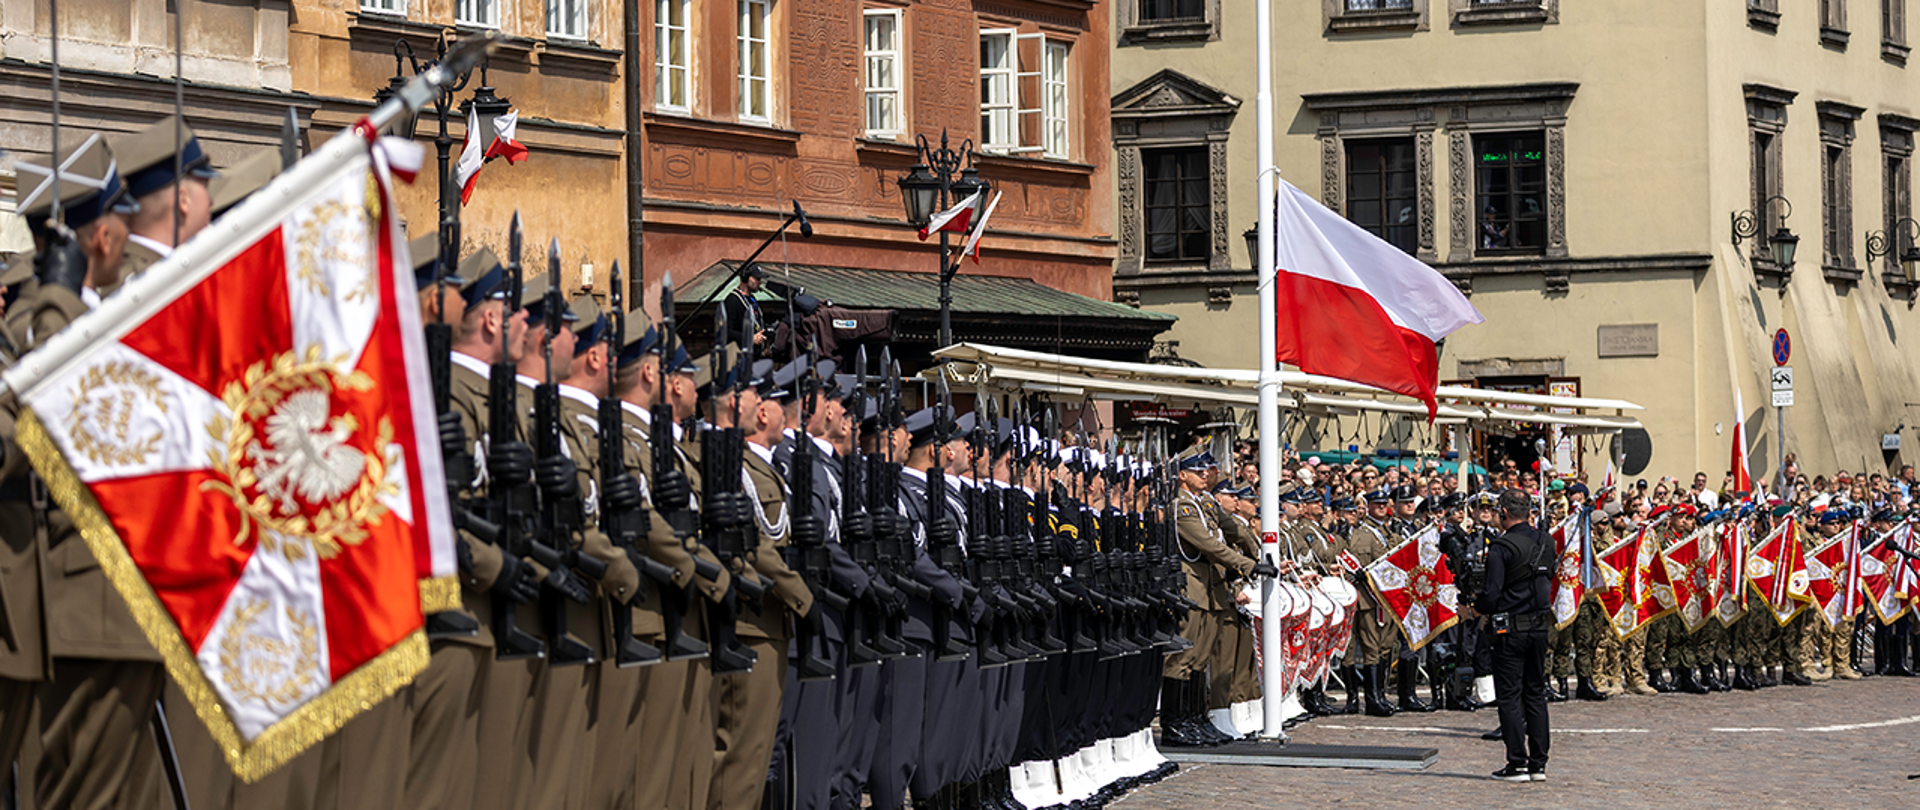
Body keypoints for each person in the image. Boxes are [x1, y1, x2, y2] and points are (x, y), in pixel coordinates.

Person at [1473, 488, 1553, 783]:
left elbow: (1492, 594)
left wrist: (1474, 607)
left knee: (1509, 696)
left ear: (1504, 513)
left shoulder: (1501, 547)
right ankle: (1538, 764)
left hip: (1511, 630)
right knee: (1535, 694)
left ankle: (1517, 762)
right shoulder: (1547, 541)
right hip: (1539, 627)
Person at [719, 263, 768, 349]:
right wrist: (750, 338)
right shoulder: (732, 300)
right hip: (741, 357)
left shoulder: (752, 299)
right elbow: (727, 331)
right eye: (757, 278)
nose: (760, 282)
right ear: (746, 277)